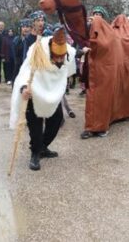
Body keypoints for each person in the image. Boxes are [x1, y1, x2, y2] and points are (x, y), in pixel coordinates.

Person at [9, 24, 76, 171]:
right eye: (56, 57)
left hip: (53, 95)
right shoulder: (38, 50)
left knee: (56, 120)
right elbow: (25, 72)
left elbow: (71, 63)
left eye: (61, 57)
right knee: (36, 128)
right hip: (35, 94)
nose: (59, 61)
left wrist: (82, 52)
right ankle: (35, 153)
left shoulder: (67, 52)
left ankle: (43, 148)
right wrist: (23, 88)